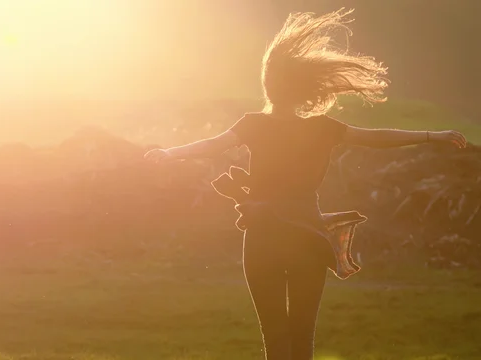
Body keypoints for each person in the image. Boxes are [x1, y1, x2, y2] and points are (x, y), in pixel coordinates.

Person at [144, 8, 467, 360]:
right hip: (307, 234)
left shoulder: (253, 124)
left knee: (274, 337)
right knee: (303, 338)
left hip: (263, 234)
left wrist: (168, 153)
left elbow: (210, 146)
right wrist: (432, 135)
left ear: (269, 84)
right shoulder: (323, 128)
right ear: (306, 88)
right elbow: (376, 138)